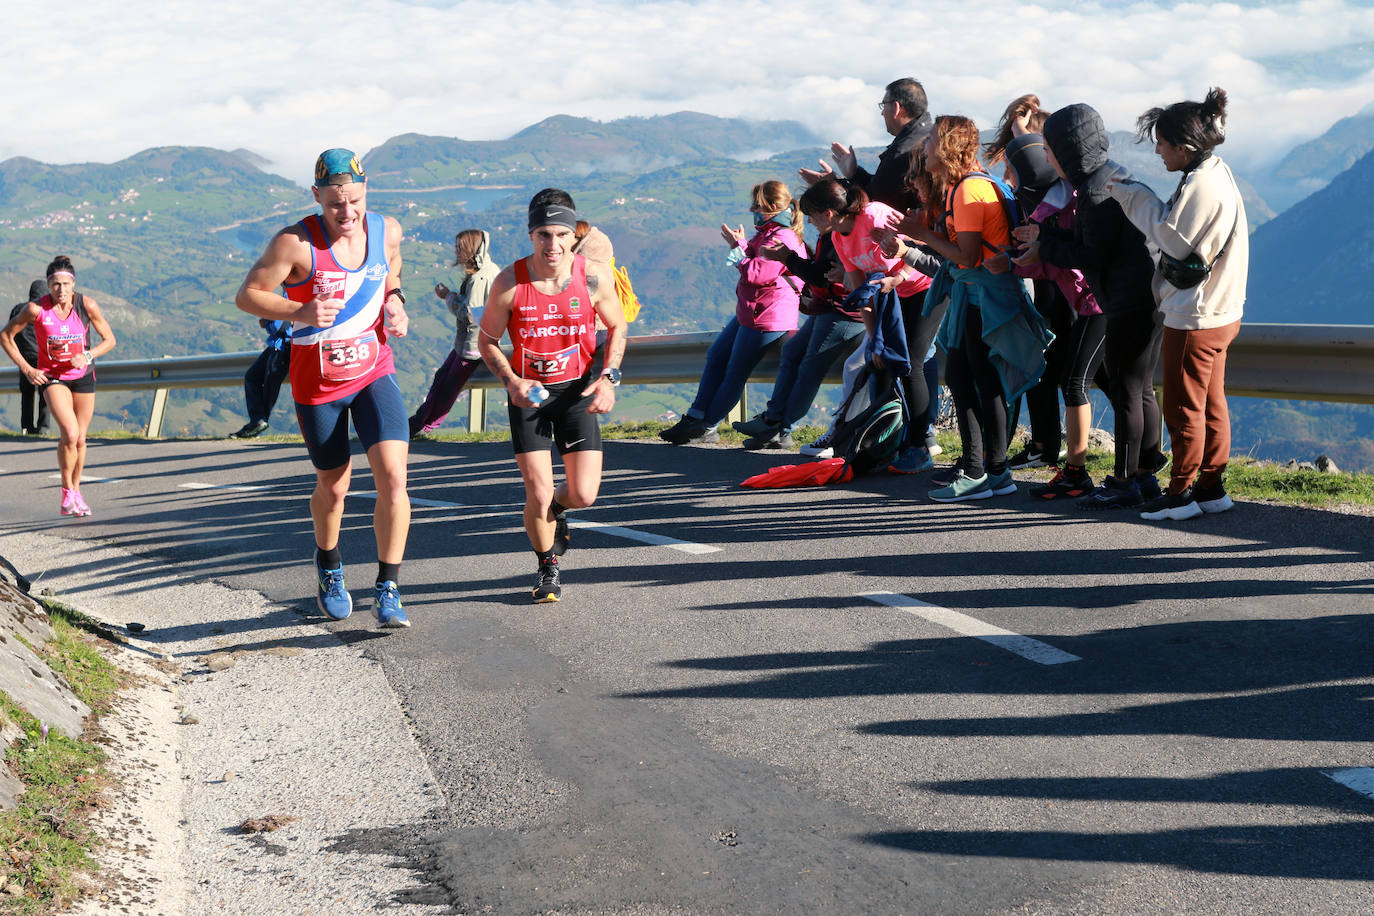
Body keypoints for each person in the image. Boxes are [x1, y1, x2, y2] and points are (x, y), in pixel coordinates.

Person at [234, 148, 412, 628]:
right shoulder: (295, 243)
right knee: (334, 488)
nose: (347, 213)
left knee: (394, 477)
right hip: (318, 382)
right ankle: (330, 564)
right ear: (317, 197)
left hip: (374, 369)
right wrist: (299, 312)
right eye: (335, 204)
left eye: (354, 200)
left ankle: (388, 587)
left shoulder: (386, 229)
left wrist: (395, 301)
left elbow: (389, 269)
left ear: (366, 189)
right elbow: (247, 294)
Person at [1013, 104, 1168, 510]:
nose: (1047, 158)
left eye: (1050, 150)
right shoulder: (1108, 174)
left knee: (1128, 390)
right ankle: (1145, 474)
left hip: (1127, 301)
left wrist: (1044, 247)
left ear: (1068, 151)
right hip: (1148, 296)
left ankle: (1124, 482)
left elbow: (1091, 255)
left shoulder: (1097, 192)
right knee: (1141, 390)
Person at [478, 191, 626, 603]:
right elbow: (487, 340)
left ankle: (558, 513)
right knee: (538, 492)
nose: (553, 244)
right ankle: (547, 568)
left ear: (573, 233)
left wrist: (609, 378)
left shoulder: (593, 276)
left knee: (582, 494)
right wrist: (511, 382)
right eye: (544, 234)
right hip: (529, 397)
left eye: (562, 234)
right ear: (531, 234)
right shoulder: (509, 282)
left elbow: (617, 326)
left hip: (576, 392)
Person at [1110, 88, 1248, 521]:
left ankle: (1181, 495)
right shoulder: (1216, 173)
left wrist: (1134, 196)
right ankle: (1210, 487)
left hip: (1196, 313)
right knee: (1210, 402)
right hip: (1222, 310)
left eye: (1163, 143)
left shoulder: (1201, 185)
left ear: (1185, 148)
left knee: (1183, 406)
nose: (1158, 150)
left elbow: (1170, 238)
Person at [902, 116, 1051, 502]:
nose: (926, 148)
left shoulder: (968, 192)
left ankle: (975, 470)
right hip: (990, 293)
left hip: (981, 296)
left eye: (932, 140)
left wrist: (922, 236)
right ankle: (996, 471)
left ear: (949, 146)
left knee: (971, 382)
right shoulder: (982, 184)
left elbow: (966, 257)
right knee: (982, 382)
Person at [659, 180, 805, 445]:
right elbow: (755, 259)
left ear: (772, 207)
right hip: (751, 312)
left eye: (757, 206)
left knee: (736, 371)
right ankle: (696, 415)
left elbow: (758, 274)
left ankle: (707, 426)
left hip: (767, 317)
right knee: (716, 356)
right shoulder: (769, 233)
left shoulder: (782, 237)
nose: (753, 210)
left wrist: (738, 251)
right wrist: (741, 245)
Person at [1, 257, 117, 516]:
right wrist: (28, 369)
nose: (61, 290)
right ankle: (67, 491)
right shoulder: (35, 309)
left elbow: (109, 340)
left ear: (73, 283)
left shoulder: (86, 305)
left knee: (82, 439)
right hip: (54, 378)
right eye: (55, 284)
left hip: (83, 376)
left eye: (65, 284)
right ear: (48, 284)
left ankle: (77, 492)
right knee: (71, 433)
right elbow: (6, 336)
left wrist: (87, 355)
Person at [408, 229, 499, 437]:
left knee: (447, 388)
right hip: (471, 343)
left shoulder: (479, 278)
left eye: (461, 247)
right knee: (442, 379)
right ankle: (419, 424)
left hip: (472, 346)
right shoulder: (487, 270)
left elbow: (468, 312)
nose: (457, 251)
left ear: (472, 249)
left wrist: (448, 296)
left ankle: (424, 427)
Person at [799, 77, 931, 214]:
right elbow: (880, 187)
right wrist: (855, 174)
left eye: (883, 105)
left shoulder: (904, 151)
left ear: (896, 108)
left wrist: (835, 183)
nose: (882, 112)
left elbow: (874, 200)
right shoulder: (927, 137)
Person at [230, 318, 292, 438]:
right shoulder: (282, 299)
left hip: (283, 348)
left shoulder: (287, 299)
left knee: (270, 387)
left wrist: (267, 320)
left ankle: (258, 423)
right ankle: (257, 421)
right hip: (277, 346)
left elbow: (277, 327)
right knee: (252, 377)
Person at [8, 280, 50, 435]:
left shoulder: (19, 309)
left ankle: (26, 427)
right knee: (45, 394)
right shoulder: (45, 310)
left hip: (24, 359)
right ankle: (43, 427)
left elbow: (11, 334)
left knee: (27, 393)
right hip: (44, 359)